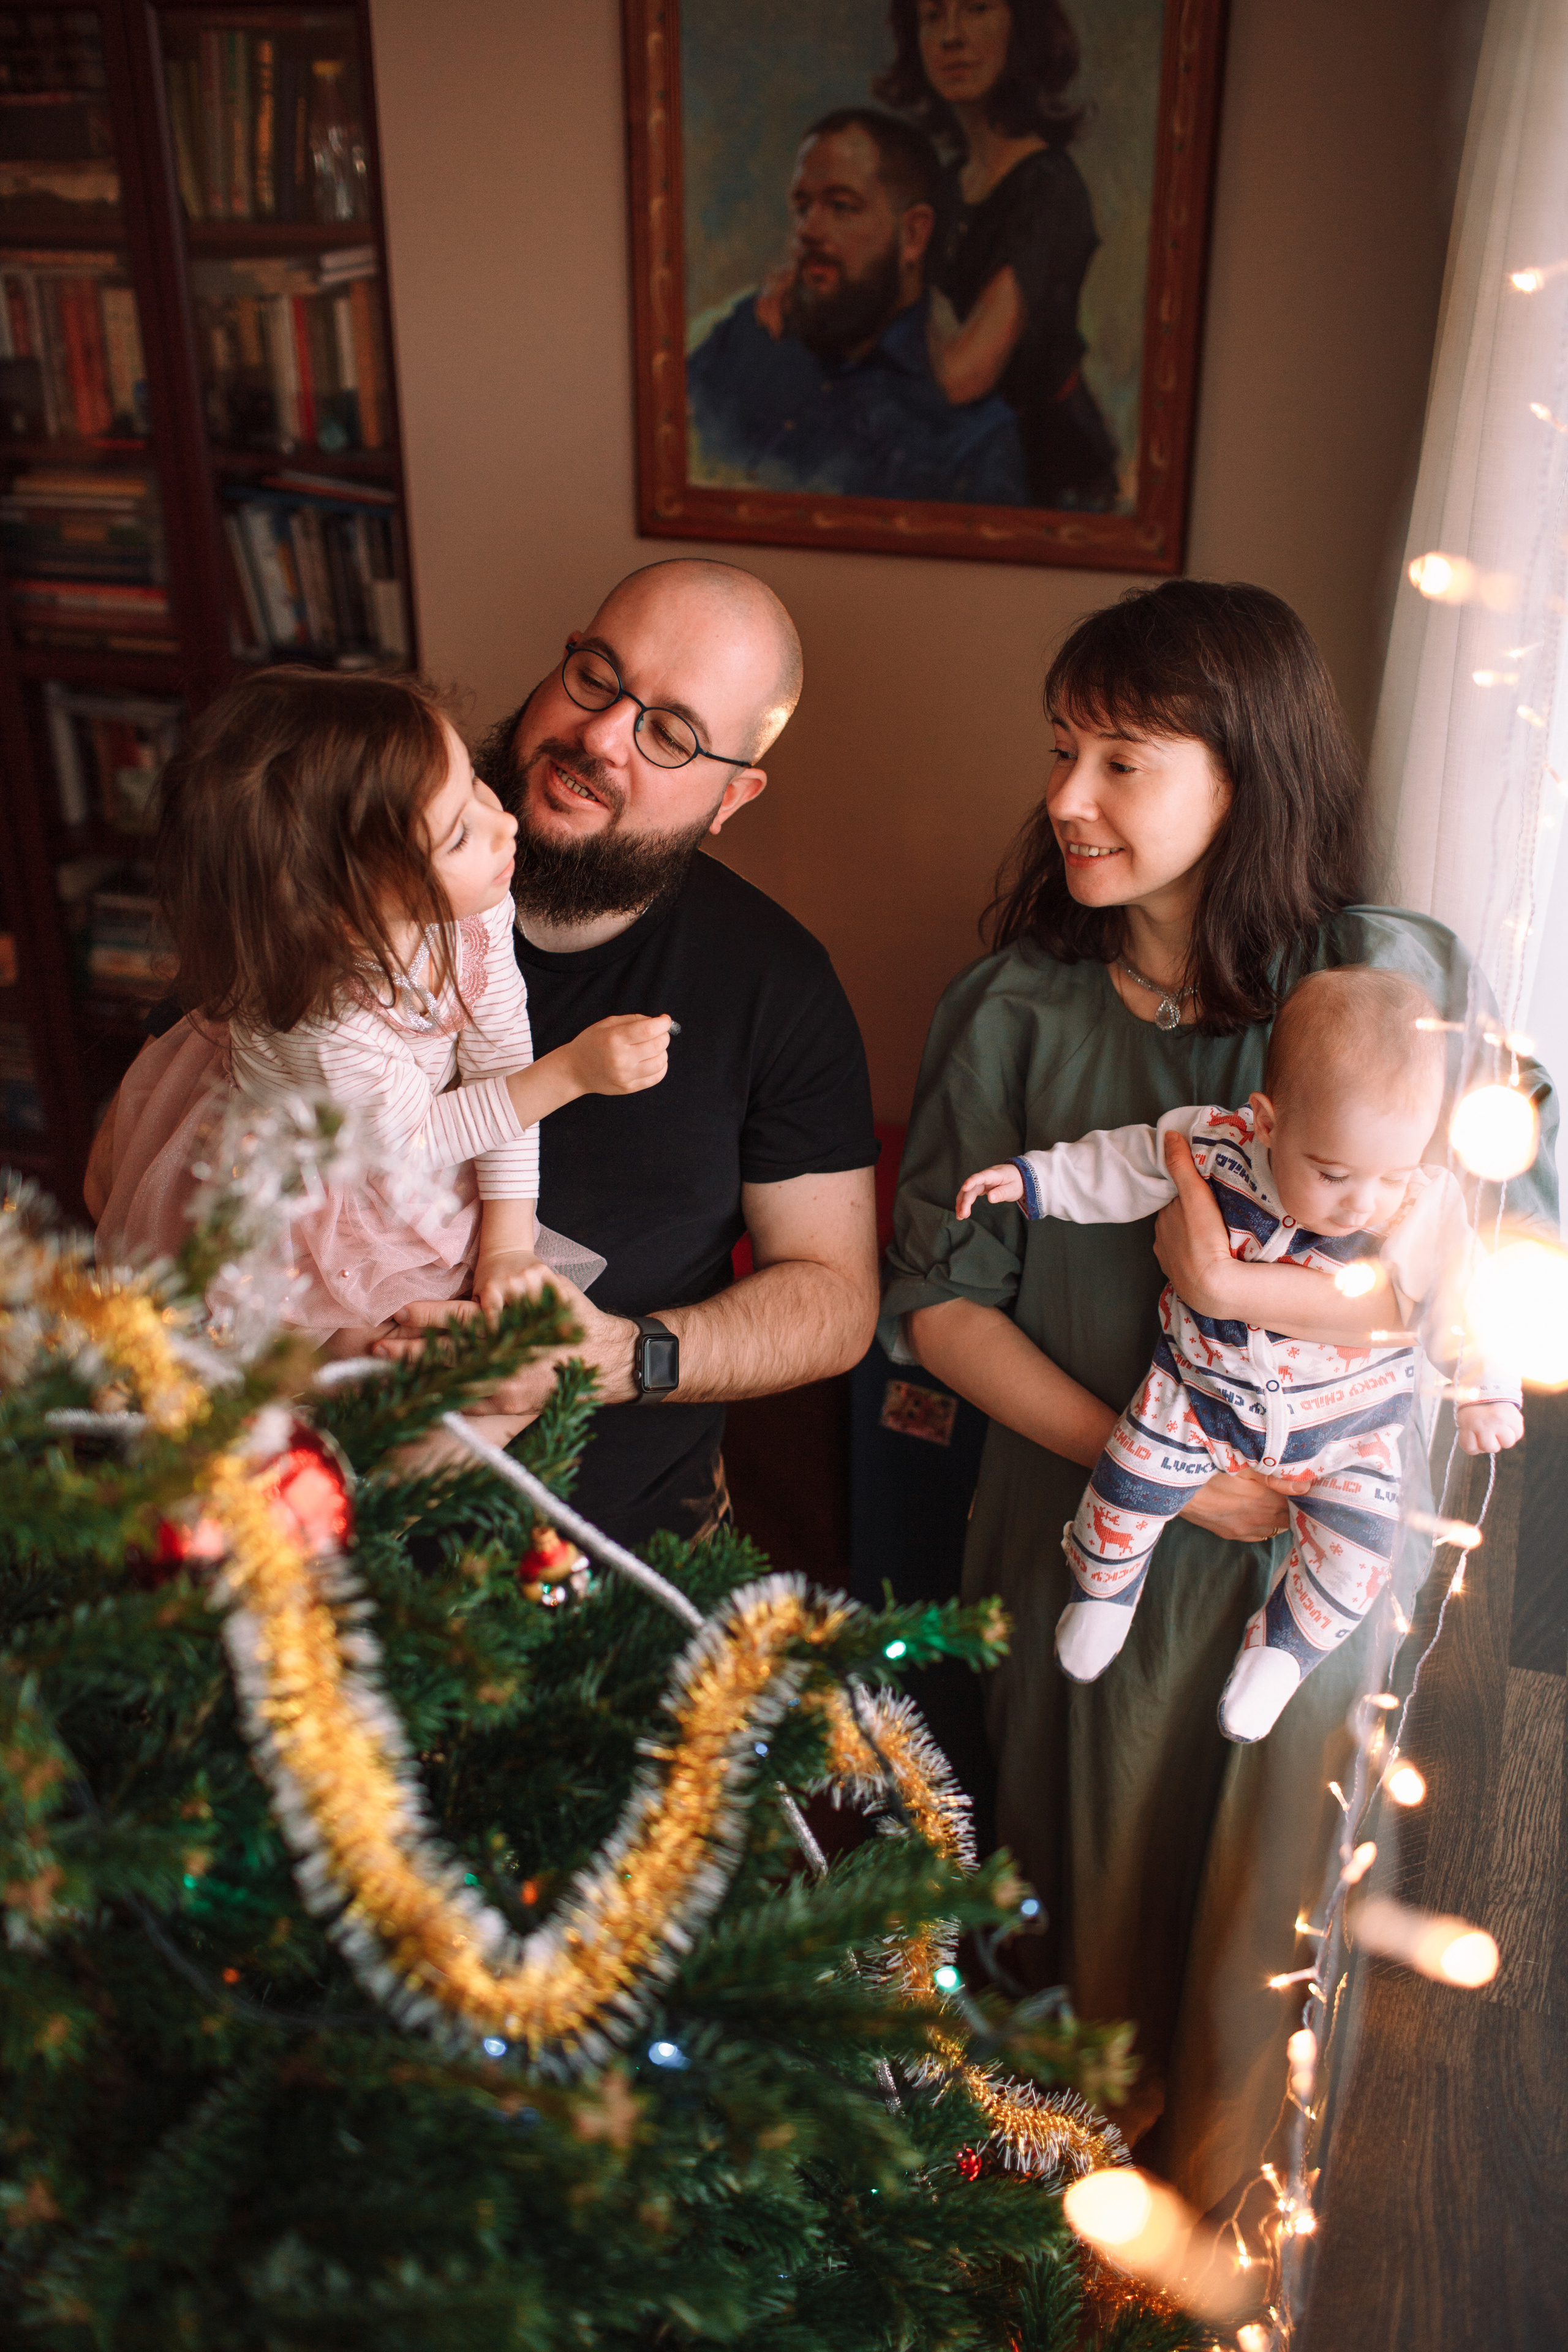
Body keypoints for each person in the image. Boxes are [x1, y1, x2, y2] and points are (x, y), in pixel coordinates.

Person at [879, 579, 1557, 2211]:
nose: (1065, 801)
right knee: (1079, 1958)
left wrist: (1251, 1298)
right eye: (1062, 754)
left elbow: (1496, 1253)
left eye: (1123, 761)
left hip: (1305, 1565)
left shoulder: (1390, 987)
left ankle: (1217, 2280)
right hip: (1083, 1536)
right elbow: (934, 1316)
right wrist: (1161, 1471)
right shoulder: (1014, 1014)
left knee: (1264, 1955)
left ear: (1244, 772)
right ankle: (1049, 2265)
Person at [374, 559, 882, 1553]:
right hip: (287, 1517)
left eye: (671, 733)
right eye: (599, 676)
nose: (602, 736)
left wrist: (612, 1359)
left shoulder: (776, 988)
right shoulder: (359, 860)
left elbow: (833, 1299)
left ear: (733, 797)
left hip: (616, 1562)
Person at [956, 965, 1523, 1743]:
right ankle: (1101, 1593)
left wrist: (1487, 1388)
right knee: (1128, 1480)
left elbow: (1463, 1293)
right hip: (1200, 1401)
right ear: (1266, 1120)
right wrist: (1032, 1181)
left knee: (1363, 1549)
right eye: (1330, 1173)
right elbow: (1121, 1164)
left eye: (1390, 1174)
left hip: (1346, 1433)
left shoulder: (1420, 1207)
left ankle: (1283, 1654)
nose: (1362, 1203)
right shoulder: (1218, 1147)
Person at [92, 669, 672, 1386]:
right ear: (346, 910)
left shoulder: (473, 899)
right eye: (460, 832)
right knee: (338, 1370)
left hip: (401, 1129)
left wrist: (509, 1248)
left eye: (473, 788)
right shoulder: (328, 1030)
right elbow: (418, 1143)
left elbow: (498, 1054)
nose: (506, 824)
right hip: (314, 1178)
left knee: (503, 1375)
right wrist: (571, 1075)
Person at [685, 107, 1028, 506]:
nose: (808, 231)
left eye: (842, 207)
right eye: (802, 207)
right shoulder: (749, 336)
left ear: (914, 235)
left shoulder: (969, 438)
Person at [876, 0, 1119, 510]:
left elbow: (965, 375)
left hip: (1049, 479)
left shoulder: (1049, 188)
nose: (952, 37)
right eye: (933, 17)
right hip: (960, 464)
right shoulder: (946, 187)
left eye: (977, 9)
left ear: (1023, 28)